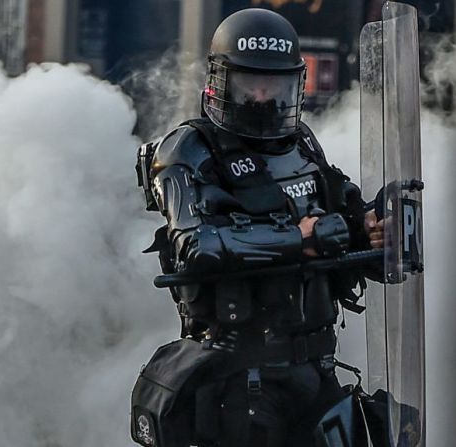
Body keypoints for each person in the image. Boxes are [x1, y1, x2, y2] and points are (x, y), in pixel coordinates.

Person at [132, 8, 384, 447]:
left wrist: (370, 226)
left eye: (278, 85)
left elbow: (340, 209)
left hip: (316, 372)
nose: (265, 97)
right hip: (240, 384)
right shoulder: (187, 150)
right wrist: (298, 240)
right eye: (251, 84)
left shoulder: (302, 143)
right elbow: (196, 247)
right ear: (221, 81)